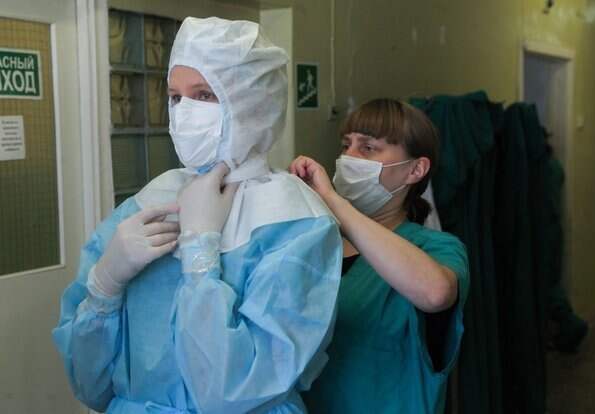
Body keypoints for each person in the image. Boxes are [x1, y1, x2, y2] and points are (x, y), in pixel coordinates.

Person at [52, 17, 341, 413]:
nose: (185, 112)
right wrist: (104, 287)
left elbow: (232, 393)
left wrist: (201, 256)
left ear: (252, 103)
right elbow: (90, 386)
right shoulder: (147, 203)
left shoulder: (296, 225)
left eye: (204, 95)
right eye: (175, 97)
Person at [290, 99, 470, 414]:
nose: (349, 157)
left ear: (415, 169)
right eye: (346, 145)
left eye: (368, 148)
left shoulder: (436, 247)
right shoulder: (317, 243)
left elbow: (436, 293)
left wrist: (334, 202)